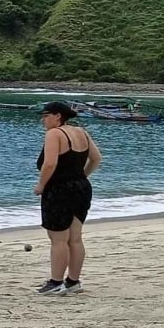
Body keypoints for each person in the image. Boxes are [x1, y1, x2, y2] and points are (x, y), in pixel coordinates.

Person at [33, 101, 103, 296]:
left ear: (57, 116)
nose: (43, 119)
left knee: (58, 239)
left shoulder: (54, 134)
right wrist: (82, 176)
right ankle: (73, 281)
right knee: (75, 238)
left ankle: (55, 281)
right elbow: (96, 158)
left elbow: (50, 164)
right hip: (81, 187)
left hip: (59, 189)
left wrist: (41, 185)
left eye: (46, 115)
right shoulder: (81, 132)